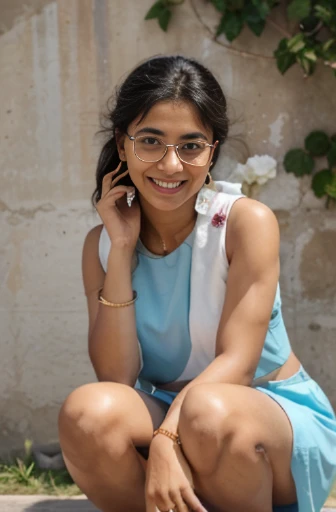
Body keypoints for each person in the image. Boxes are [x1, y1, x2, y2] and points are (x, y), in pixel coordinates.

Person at [58, 55, 336, 512]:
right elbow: (117, 377)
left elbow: (239, 365)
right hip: (174, 410)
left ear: (212, 149)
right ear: (121, 144)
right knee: (87, 413)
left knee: (209, 412)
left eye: (191, 145)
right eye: (150, 141)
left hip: (262, 414)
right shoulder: (103, 245)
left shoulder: (245, 223)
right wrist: (123, 249)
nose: (171, 165)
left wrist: (169, 436)